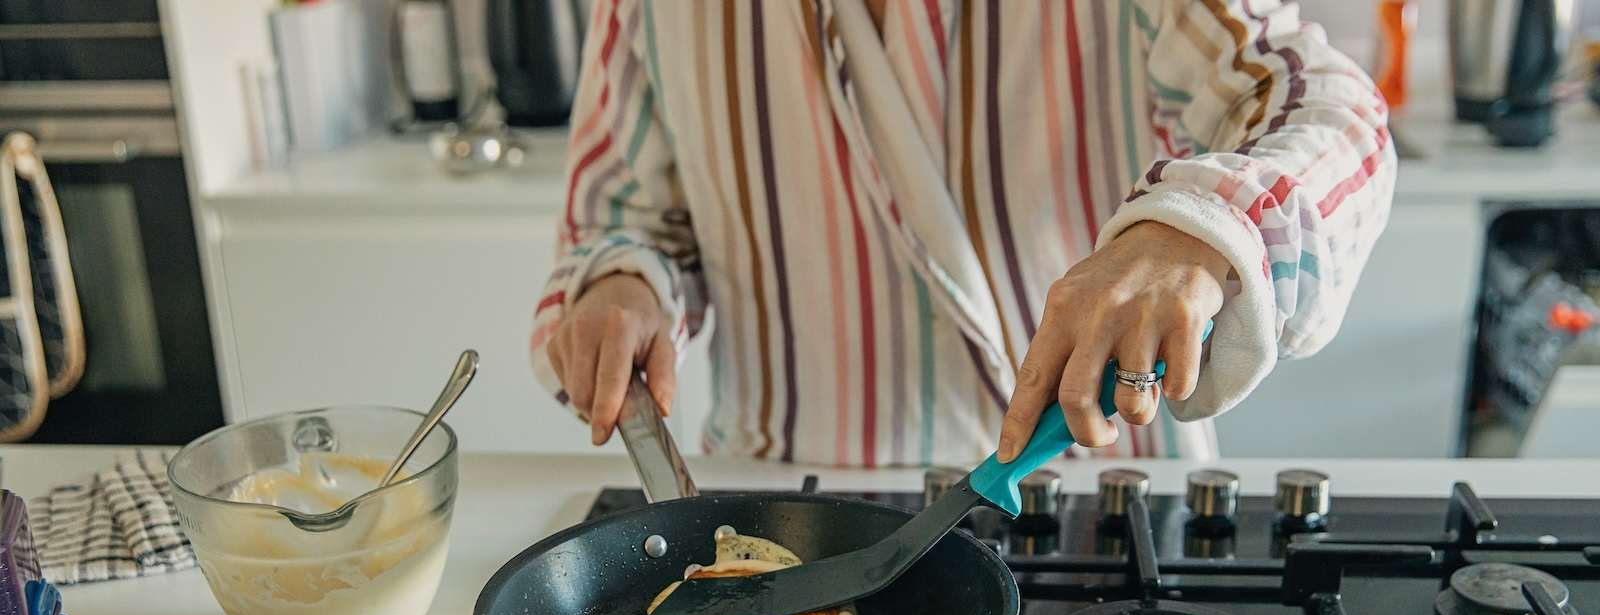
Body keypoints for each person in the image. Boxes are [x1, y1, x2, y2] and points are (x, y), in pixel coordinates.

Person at [531, 0, 1394, 466]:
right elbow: (623, 219)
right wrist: (623, 287)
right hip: (788, 502)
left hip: (1102, 492)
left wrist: (1199, 229)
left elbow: (1330, 108)